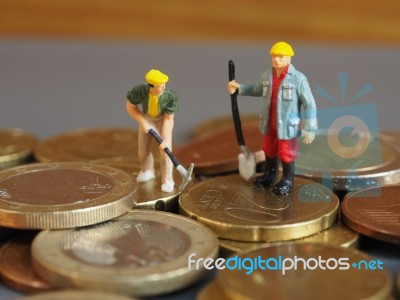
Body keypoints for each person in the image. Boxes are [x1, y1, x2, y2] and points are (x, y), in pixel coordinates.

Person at [227, 42, 317, 195]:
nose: (276, 60)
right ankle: (270, 175)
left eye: (280, 57)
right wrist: (239, 88)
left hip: (287, 126)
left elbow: (310, 104)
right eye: (274, 56)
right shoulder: (267, 75)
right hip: (270, 123)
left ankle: (288, 180)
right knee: (269, 149)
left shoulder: (298, 79)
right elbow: (256, 90)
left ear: (289, 58)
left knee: (286, 152)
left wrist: (309, 128)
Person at [126, 69, 178, 192]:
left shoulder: (170, 96)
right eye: (160, 86)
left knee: (166, 152)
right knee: (143, 149)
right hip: (147, 119)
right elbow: (130, 106)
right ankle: (147, 170)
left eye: (164, 85)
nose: (164, 88)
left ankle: (167, 180)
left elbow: (168, 119)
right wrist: (143, 122)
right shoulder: (140, 91)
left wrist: (165, 138)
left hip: (162, 121)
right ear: (151, 86)